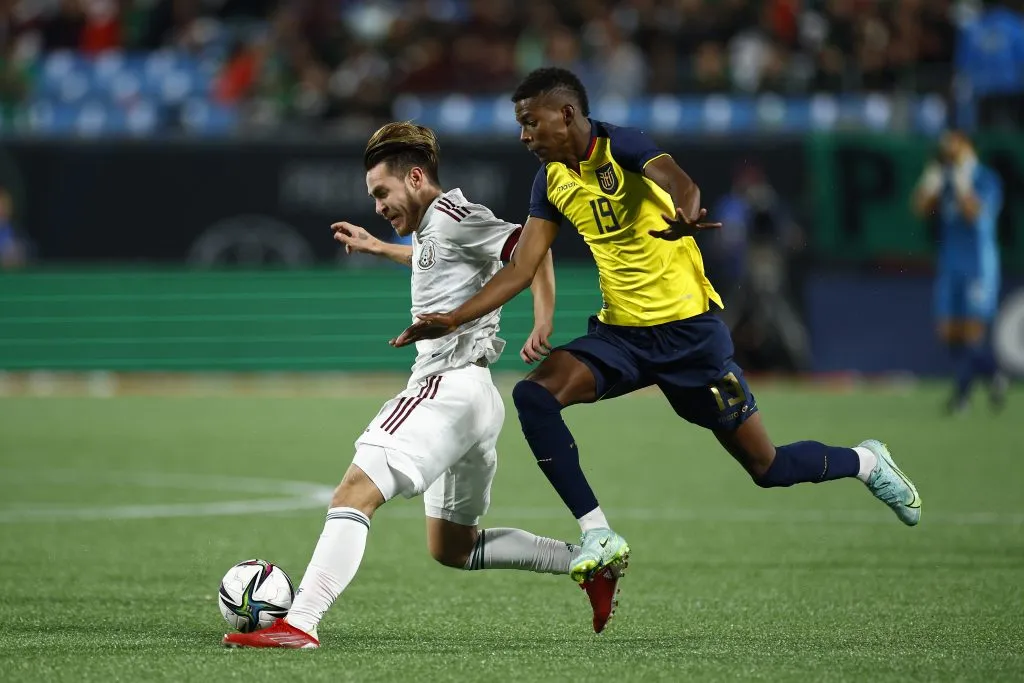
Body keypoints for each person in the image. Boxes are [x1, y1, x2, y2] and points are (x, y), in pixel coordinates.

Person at [393, 67, 922, 591]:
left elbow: (681, 184)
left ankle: (867, 461)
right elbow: (522, 267)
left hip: (690, 336)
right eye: (520, 125)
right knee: (535, 395)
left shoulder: (624, 145)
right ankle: (597, 534)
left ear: (567, 114)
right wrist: (454, 317)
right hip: (622, 336)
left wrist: (688, 212)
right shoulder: (550, 180)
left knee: (769, 466)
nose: (524, 136)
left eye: (531, 123)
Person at [223, 122, 620, 649]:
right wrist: (380, 248)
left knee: (354, 491)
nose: (378, 207)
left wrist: (543, 319)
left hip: (445, 386)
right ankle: (585, 563)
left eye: (381, 194)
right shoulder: (435, 226)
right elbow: (440, 257)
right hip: (477, 399)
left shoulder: (455, 215)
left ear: (414, 177)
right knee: (454, 547)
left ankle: (300, 622)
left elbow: (535, 248)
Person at [912, 130, 1007, 414]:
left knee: (971, 333)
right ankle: (993, 375)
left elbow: (974, 214)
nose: (948, 150)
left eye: (953, 144)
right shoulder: (946, 178)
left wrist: (964, 182)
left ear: (967, 144)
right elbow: (919, 208)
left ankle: (962, 396)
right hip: (950, 263)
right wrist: (930, 182)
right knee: (948, 332)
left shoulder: (985, 178)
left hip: (978, 264)